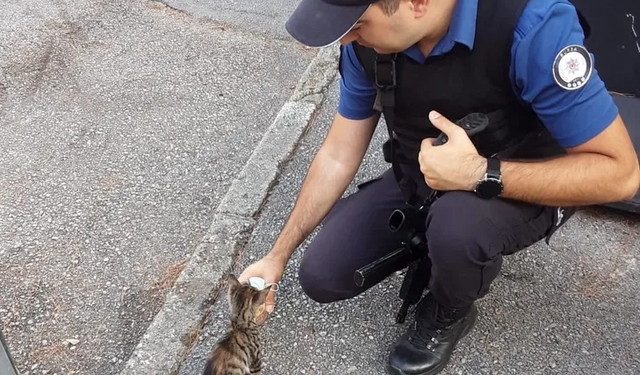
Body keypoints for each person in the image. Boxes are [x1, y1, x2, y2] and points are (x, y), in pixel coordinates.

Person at [239, 0, 640, 373]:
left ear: (418, 3)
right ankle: (434, 239)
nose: (347, 38)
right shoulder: (362, 44)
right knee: (323, 275)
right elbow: (339, 154)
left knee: (458, 228)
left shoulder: (532, 24)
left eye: (358, 24)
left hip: (523, 176)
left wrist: (480, 173)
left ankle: (450, 308)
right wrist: (278, 255)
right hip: (424, 172)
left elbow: (620, 175)